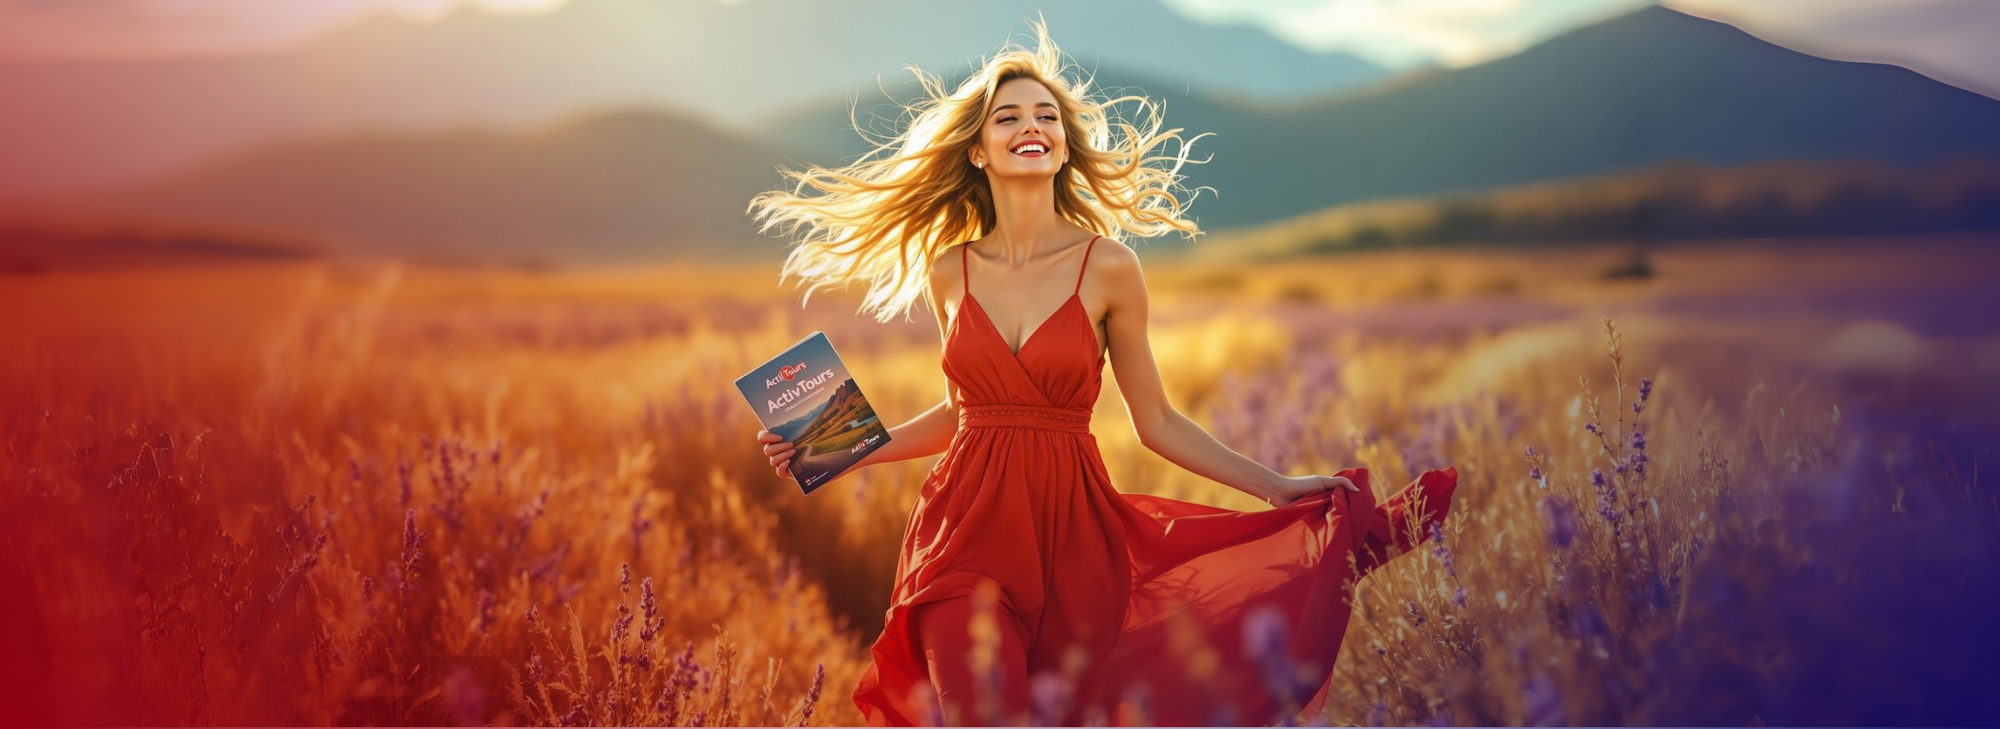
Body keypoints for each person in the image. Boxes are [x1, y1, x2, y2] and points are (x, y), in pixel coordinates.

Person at [746, 15, 1459, 727]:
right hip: (960, 533)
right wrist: (839, 447)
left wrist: (1275, 487)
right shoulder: (949, 271)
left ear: (1062, 147)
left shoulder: (1109, 267)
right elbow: (964, 412)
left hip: (1072, 544)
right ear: (977, 149)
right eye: (1009, 116)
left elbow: (1156, 421)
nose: (1033, 125)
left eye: (1047, 116)